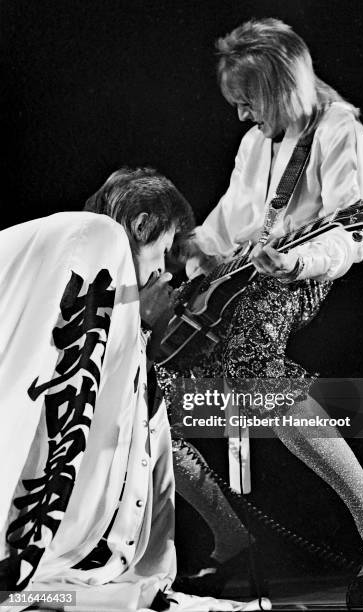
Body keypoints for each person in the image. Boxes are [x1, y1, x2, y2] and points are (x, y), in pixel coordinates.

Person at [184, 18, 363, 609]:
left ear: (282, 86)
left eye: (248, 102)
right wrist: (187, 261)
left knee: (256, 371)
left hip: (296, 277)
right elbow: (227, 224)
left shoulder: (341, 133)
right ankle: (231, 538)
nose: (240, 116)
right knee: (155, 380)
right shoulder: (255, 142)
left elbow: (351, 236)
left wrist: (295, 266)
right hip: (241, 279)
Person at [0, 167, 270, 612]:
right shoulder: (97, 236)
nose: (163, 270)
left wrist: (137, 325)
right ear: (143, 225)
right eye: (163, 251)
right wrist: (139, 316)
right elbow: (74, 375)